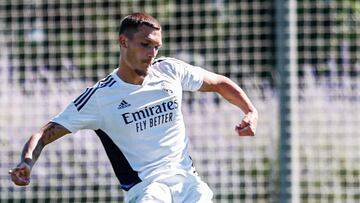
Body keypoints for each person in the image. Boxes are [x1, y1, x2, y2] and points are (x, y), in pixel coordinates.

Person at [9, 12, 258, 202]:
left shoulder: (170, 70)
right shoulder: (100, 97)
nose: (152, 52)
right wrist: (27, 163)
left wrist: (250, 111)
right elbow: (44, 133)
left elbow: (219, 83)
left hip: (188, 183)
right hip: (147, 190)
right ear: (123, 42)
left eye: (156, 46)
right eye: (145, 44)